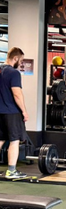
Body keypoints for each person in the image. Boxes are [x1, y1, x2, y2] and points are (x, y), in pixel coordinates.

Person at [0, 47, 28, 179]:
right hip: (11, 112)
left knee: (0, 139)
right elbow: (17, 94)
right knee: (14, 140)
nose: (20, 64)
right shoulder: (14, 73)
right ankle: (11, 171)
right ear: (15, 58)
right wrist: (24, 111)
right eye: (20, 61)